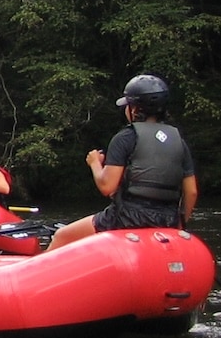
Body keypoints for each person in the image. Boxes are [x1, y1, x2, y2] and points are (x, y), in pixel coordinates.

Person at [48, 73, 198, 251]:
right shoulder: (178, 140)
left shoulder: (126, 137)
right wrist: (179, 223)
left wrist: (95, 163)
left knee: (61, 235)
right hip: (167, 220)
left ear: (135, 109)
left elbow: (107, 186)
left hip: (127, 218)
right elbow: (192, 192)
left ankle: (37, 275)